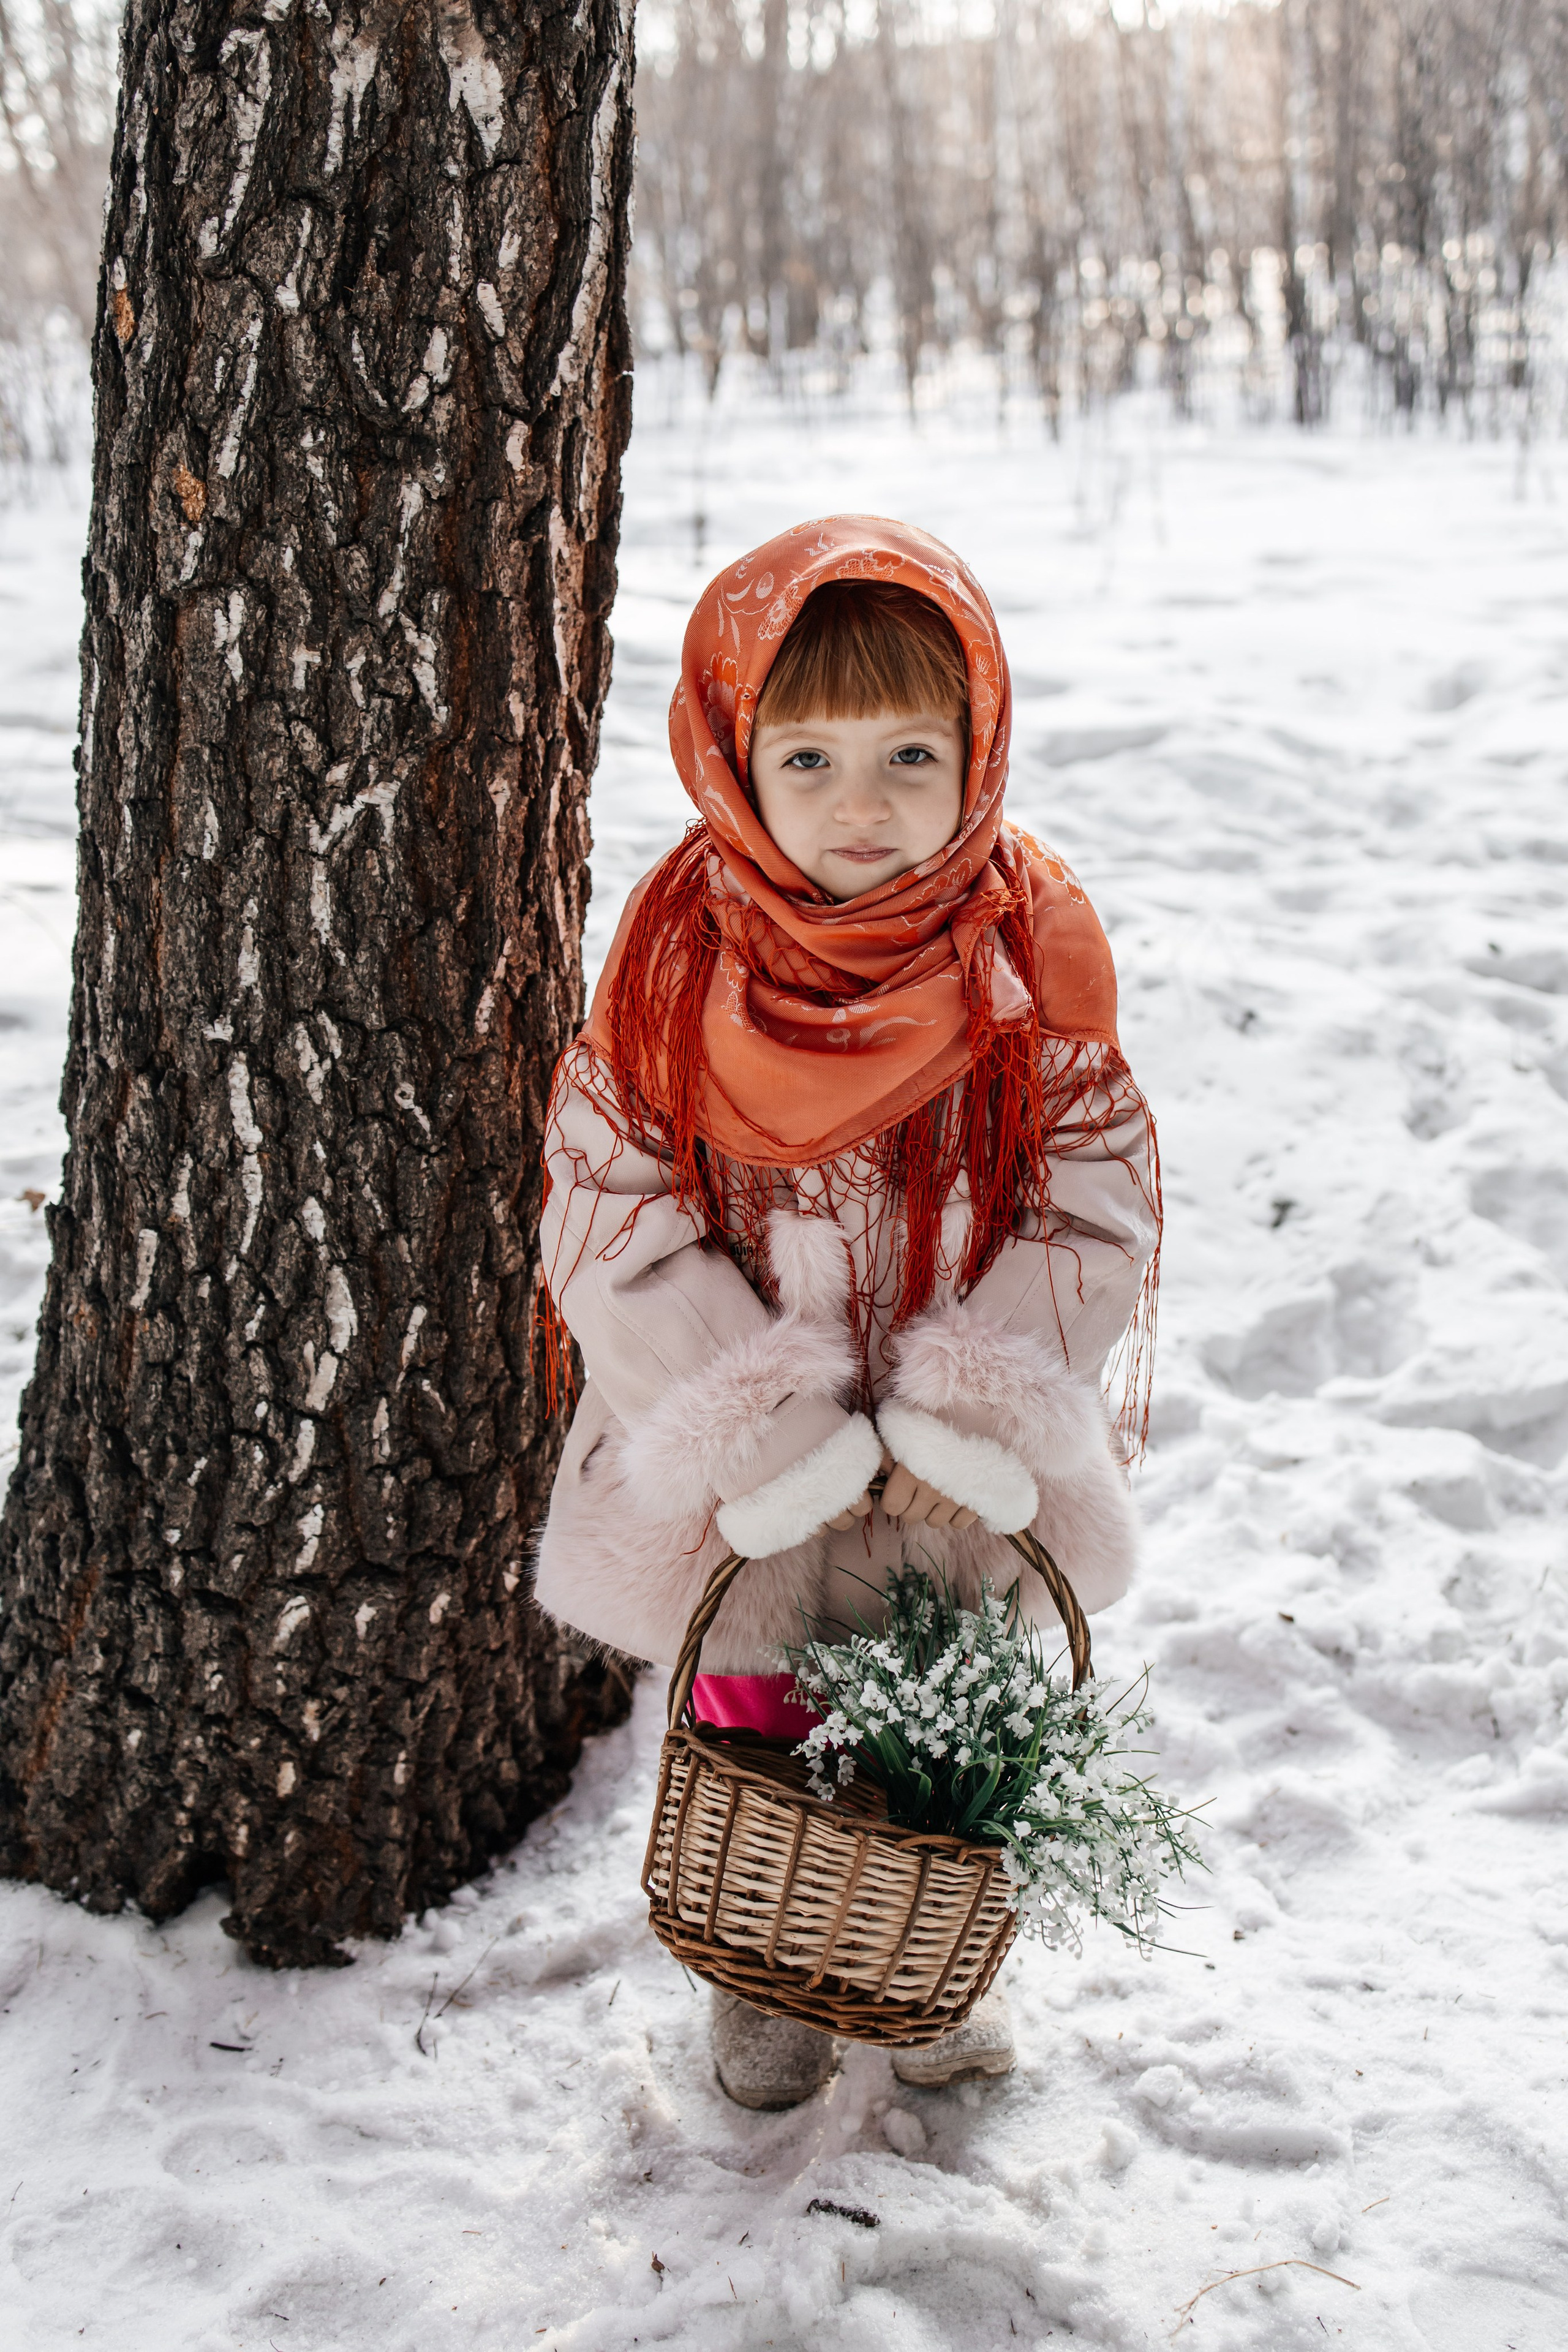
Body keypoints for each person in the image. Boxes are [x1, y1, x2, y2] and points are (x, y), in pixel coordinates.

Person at [533, 516, 1160, 2109]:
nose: (861, 806)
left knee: (945, 1713)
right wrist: (757, 1418)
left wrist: (982, 1406)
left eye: (907, 753)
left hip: (959, 1476)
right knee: (757, 1714)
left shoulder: (1031, 954)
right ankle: (763, 1977)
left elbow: (1097, 1194)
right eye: (804, 759)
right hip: (753, 1483)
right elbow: (607, 1201)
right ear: (734, 756)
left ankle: (930, 1969)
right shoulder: (679, 959)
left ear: (980, 748)